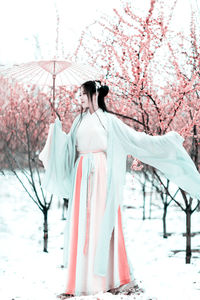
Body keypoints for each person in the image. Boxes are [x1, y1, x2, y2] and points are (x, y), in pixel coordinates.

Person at [39, 80, 200, 299]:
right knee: (83, 225)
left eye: (82, 94)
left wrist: (167, 141)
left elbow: (138, 140)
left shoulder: (109, 121)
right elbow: (67, 150)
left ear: (94, 94)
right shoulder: (78, 121)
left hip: (103, 177)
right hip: (81, 177)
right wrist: (55, 130)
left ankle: (110, 278)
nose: (79, 99)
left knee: (102, 223)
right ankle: (81, 281)